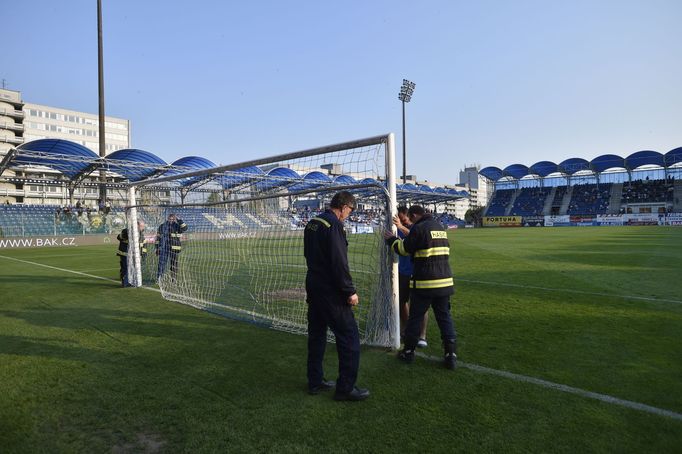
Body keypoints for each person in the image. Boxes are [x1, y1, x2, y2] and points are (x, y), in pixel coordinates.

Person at [304, 191, 369, 401]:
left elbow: (308, 254)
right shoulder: (334, 225)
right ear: (344, 206)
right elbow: (339, 263)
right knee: (349, 336)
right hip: (331, 291)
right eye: (350, 211)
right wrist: (349, 291)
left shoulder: (313, 222)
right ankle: (345, 388)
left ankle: (315, 381)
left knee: (317, 336)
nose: (349, 215)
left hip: (314, 286)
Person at [384, 204, 458, 369]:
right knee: (444, 319)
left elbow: (404, 249)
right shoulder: (440, 227)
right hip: (445, 281)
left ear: (415, 215)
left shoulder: (419, 228)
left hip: (425, 282)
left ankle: (408, 352)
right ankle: (450, 354)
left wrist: (391, 240)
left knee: (415, 318)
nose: (410, 221)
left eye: (411, 218)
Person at [393, 205, 429, 348]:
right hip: (402, 271)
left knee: (421, 305)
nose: (404, 221)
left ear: (409, 216)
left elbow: (416, 237)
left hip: (418, 271)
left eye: (405, 219)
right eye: (401, 219)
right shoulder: (396, 227)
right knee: (401, 302)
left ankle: (422, 335)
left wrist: (401, 226)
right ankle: (406, 329)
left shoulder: (417, 227)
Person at [156, 213, 188, 281]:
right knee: (161, 263)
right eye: (170, 219)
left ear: (174, 219)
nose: (171, 220)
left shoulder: (177, 226)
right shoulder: (162, 226)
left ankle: (173, 278)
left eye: (173, 219)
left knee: (174, 264)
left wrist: (179, 220)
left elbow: (185, 228)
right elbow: (158, 238)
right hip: (164, 248)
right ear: (167, 219)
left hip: (174, 248)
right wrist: (157, 248)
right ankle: (159, 277)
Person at [116, 221, 147, 287]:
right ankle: (125, 283)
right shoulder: (127, 231)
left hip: (135, 255)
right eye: (142, 226)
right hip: (125, 254)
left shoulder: (141, 233)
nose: (143, 227)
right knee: (126, 268)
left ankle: (132, 281)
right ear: (137, 225)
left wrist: (143, 253)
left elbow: (143, 244)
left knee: (134, 268)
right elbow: (119, 237)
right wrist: (124, 235)